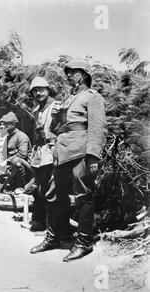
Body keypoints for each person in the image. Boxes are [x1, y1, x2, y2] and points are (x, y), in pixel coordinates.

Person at [30, 59, 107, 262]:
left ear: (84, 75)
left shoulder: (93, 97)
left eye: (73, 72)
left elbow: (98, 128)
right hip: (62, 153)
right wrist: (56, 119)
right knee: (54, 195)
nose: (69, 75)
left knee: (83, 196)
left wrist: (93, 155)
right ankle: (54, 237)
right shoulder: (67, 100)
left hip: (81, 151)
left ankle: (83, 243)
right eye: (69, 72)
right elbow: (57, 129)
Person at [28, 77, 57, 232]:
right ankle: (42, 221)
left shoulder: (57, 107)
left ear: (48, 89)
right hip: (39, 154)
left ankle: (55, 227)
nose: (38, 93)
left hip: (53, 153)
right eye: (35, 90)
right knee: (40, 189)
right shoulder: (37, 110)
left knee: (54, 191)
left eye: (41, 89)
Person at [0, 112, 31, 193]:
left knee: (16, 161)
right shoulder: (8, 137)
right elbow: (3, 155)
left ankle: (21, 186)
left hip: (23, 168)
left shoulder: (21, 136)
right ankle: (8, 185)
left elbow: (22, 155)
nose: (3, 126)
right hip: (11, 167)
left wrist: (5, 163)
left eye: (6, 124)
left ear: (13, 124)